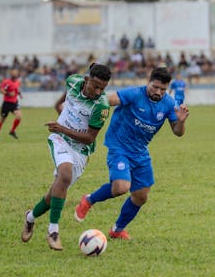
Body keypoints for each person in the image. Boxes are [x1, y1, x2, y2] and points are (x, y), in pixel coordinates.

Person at [75, 67, 189, 240]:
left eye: (162, 89)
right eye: (155, 87)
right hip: (119, 146)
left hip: (140, 152)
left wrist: (180, 122)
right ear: (148, 81)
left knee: (141, 196)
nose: (158, 92)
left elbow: (178, 132)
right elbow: (110, 99)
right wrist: (90, 99)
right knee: (121, 187)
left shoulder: (168, 104)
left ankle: (117, 229)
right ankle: (89, 200)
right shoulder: (134, 94)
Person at [21, 63, 111, 251]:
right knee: (65, 174)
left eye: (102, 88)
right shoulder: (73, 81)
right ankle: (53, 231)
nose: (98, 91)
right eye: (95, 85)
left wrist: (62, 127)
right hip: (59, 139)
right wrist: (60, 123)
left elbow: (89, 138)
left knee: (53, 194)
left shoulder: (101, 106)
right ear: (86, 80)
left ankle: (30, 217)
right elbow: (61, 102)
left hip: (81, 150)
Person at [0, 69, 22, 141]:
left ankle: (12, 131)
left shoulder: (17, 82)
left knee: (19, 116)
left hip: (14, 103)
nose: (15, 74)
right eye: (13, 72)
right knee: (2, 120)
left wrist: (19, 94)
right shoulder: (6, 82)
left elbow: (16, 89)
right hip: (6, 103)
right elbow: (1, 90)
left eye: (16, 72)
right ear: (11, 74)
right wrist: (8, 94)